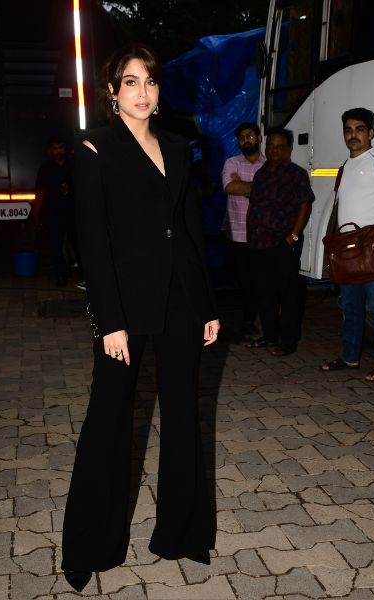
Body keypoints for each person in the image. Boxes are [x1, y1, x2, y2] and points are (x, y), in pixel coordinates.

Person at [60, 44, 221, 592]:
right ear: (112, 91)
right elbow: (93, 242)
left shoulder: (177, 147)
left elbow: (189, 228)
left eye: (150, 81)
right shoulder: (95, 148)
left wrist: (206, 305)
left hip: (180, 299)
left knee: (183, 414)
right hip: (124, 306)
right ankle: (89, 546)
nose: (143, 92)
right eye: (131, 82)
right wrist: (109, 321)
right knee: (108, 418)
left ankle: (182, 533)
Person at [320, 107, 374, 382]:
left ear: (371, 132)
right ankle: (350, 357)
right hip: (348, 251)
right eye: (348, 130)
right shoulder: (345, 167)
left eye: (359, 129)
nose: (353, 135)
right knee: (350, 306)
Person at [244, 128, 314, 356]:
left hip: (283, 243)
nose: (274, 150)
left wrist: (293, 236)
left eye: (280, 146)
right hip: (258, 244)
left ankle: (288, 343)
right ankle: (270, 336)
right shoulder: (260, 174)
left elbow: (305, 205)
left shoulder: (296, 174)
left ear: (288, 149)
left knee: (288, 295)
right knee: (265, 293)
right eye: (271, 146)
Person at [221, 122, 265, 336]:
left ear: (259, 138)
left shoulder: (269, 164)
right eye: (242, 138)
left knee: (260, 278)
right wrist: (259, 187)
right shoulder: (232, 162)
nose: (246, 140)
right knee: (244, 280)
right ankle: (246, 318)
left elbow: (274, 191)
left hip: (262, 234)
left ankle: (250, 320)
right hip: (237, 233)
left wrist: (245, 186)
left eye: (250, 136)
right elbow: (230, 187)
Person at [34, 138, 83, 288]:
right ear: (49, 151)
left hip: (74, 212)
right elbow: (41, 191)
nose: (58, 151)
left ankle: (85, 276)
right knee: (55, 246)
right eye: (55, 148)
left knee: (79, 245)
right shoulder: (45, 168)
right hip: (54, 213)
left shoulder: (74, 165)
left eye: (60, 147)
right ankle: (61, 276)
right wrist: (36, 212)